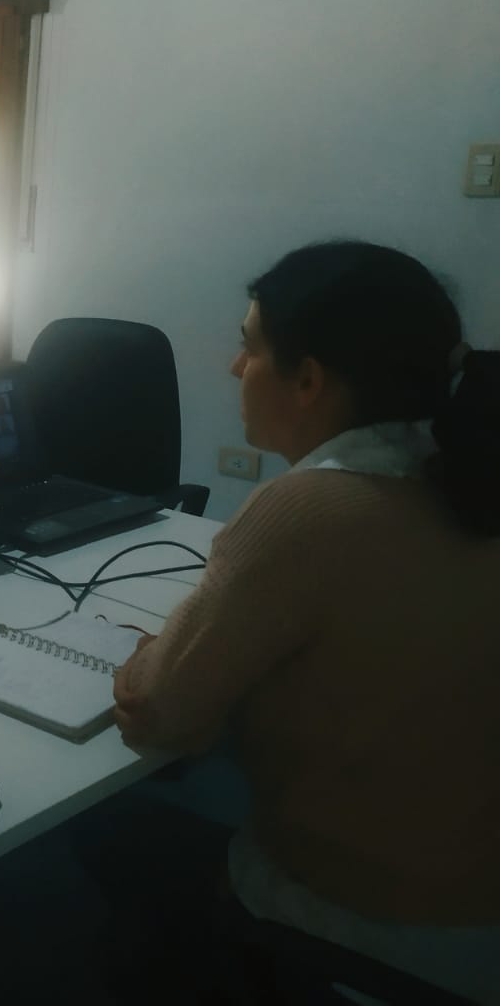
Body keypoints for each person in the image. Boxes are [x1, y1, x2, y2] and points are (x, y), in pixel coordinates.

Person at [108, 240, 500, 1002]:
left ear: (309, 380)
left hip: (373, 923)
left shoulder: (310, 511)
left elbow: (158, 712)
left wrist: (153, 655)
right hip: (476, 903)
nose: (233, 368)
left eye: (248, 346)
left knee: (114, 829)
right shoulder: (466, 474)